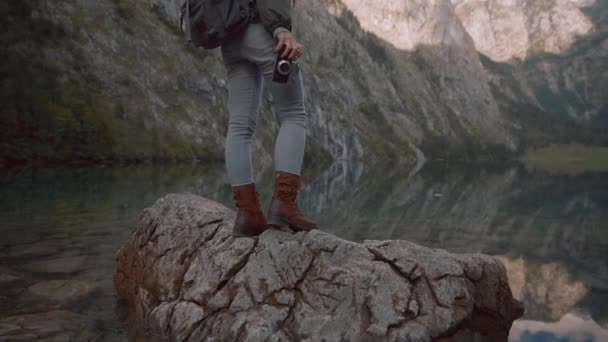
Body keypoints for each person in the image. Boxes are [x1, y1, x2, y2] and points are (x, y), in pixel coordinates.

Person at [221, 0, 319, 237]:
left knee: (239, 126)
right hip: (261, 31)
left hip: (230, 37)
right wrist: (281, 29)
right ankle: (284, 202)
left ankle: (248, 215)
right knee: (293, 114)